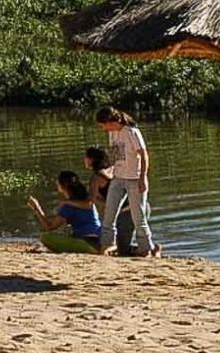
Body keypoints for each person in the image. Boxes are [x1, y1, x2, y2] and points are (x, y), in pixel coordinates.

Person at [95, 106, 160, 257]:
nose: (102, 128)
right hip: (118, 178)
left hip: (134, 179)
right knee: (109, 213)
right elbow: (116, 156)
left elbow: (144, 155)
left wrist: (143, 177)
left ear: (110, 121)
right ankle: (105, 245)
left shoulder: (131, 132)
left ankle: (146, 247)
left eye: (103, 124)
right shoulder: (112, 133)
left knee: (138, 216)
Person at [28, 171, 102, 253]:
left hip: (86, 241)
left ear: (64, 186)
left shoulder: (68, 206)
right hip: (100, 240)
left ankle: (88, 249)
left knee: (45, 237)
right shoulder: (87, 201)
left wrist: (37, 208)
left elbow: (50, 227)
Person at [85, 144, 136, 257]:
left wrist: (68, 202)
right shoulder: (113, 169)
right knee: (123, 245)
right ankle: (149, 248)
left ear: (91, 160)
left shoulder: (96, 177)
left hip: (126, 212)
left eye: (86, 157)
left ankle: (153, 248)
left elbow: (90, 203)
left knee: (123, 250)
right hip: (136, 206)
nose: (84, 159)